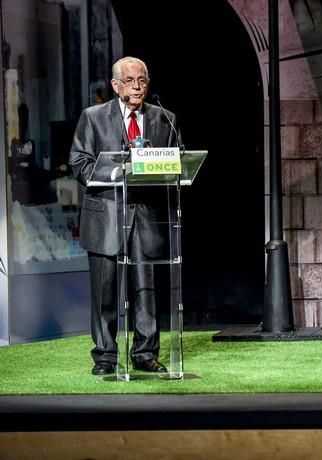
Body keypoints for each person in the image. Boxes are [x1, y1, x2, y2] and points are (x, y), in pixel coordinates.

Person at [70, 56, 181, 375]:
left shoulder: (165, 119)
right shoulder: (92, 117)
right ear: (115, 85)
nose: (137, 86)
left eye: (143, 80)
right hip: (106, 214)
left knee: (146, 290)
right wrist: (119, 172)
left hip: (147, 217)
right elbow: (79, 163)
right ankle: (105, 356)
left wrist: (159, 172)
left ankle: (145, 354)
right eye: (130, 81)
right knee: (104, 292)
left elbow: (175, 163)